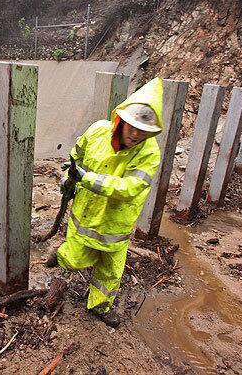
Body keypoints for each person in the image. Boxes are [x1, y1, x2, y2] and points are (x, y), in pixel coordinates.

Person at [47, 77, 164, 327]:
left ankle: (100, 305)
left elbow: (129, 188)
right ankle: (59, 256)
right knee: (75, 259)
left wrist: (86, 178)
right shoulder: (98, 130)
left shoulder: (149, 153)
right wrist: (70, 171)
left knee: (110, 270)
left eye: (143, 130)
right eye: (132, 126)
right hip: (87, 213)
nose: (136, 134)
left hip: (115, 223)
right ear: (120, 120)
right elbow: (78, 152)